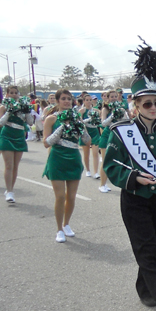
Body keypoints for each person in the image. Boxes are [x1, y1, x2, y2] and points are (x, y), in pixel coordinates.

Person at [103, 39, 156, 311]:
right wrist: (133, 177)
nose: (153, 107)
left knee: (155, 247)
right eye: (147, 103)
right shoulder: (121, 131)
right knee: (147, 248)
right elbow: (111, 165)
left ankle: (145, 288)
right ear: (136, 105)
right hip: (135, 199)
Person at [43, 89, 91, 243]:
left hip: (74, 158)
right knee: (60, 196)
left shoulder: (77, 118)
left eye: (69, 99)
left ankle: (66, 224)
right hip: (57, 158)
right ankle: (59, 229)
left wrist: (81, 126)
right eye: (63, 99)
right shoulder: (51, 119)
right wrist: (62, 127)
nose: (67, 101)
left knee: (71, 196)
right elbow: (45, 143)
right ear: (57, 101)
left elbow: (87, 141)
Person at [0, 86, 34, 204]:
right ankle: (9, 191)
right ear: (7, 95)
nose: (14, 95)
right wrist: (9, 111)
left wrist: (27, 111)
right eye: (11, 93)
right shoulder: (3, 107)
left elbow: (31, 123)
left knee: (15, 166)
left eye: (15, 93)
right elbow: (0, 123)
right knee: (9, 165)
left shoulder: (23, 107)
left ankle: (11, 188)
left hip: (19, 136)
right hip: (7, 136)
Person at [97, 89, 128, 193]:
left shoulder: (121, 108)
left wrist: (122, 114)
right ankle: (102, 184)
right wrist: (113, 115)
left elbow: (126, 121)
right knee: (105, 160)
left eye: (116, 96)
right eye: (112, 97)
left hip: (117, 135)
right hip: (107, 135)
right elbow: (103, 123)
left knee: (117, 160)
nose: (114, 98)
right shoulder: (105, 108)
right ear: (108, 98)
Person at [80, 95, 102, 179]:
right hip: (85, 132)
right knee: (86, 153)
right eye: (87, 100)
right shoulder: (82, 111)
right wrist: (89, 119)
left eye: (90, 100)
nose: (89, 102)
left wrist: (96, 120)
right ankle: (88, 170)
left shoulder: (96, 110)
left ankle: (96, 172)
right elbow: (80, 122)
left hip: (95, 132)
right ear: (84, 101)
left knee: (95, 152)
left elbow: (99, 121)